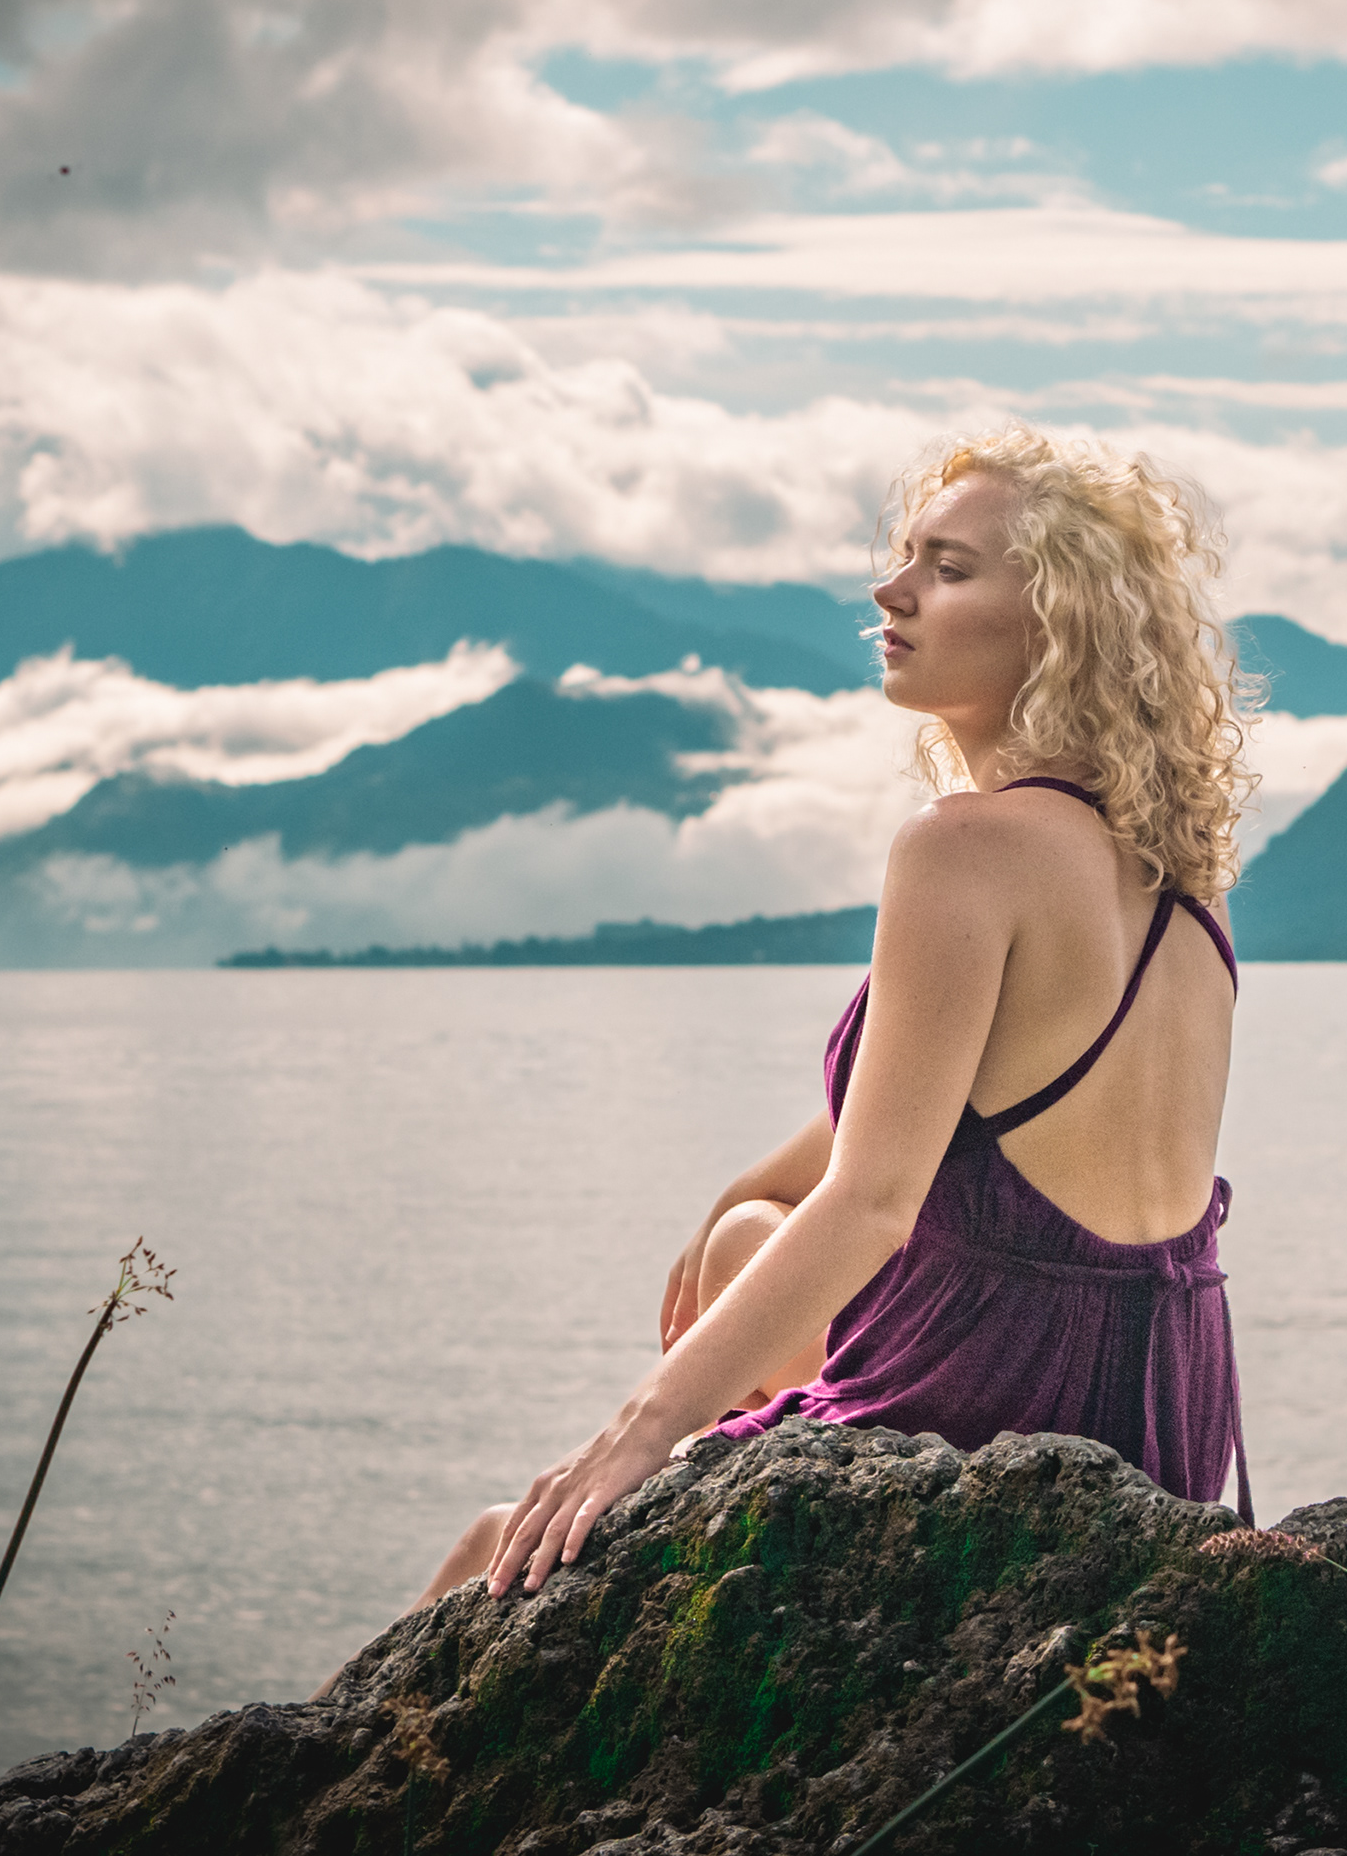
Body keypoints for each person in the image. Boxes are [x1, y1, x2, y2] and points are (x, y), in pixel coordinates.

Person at [414, 425, 1262, 1605]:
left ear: (1060, 624)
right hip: (1168, 1404)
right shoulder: (1178, 873)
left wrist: (643, 1431)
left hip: (1006, 1401)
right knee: (741, 1240)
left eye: (949, 568)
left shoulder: (966, 849)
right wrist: (724, 1203)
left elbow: (873, 1199)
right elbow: (940, 1112)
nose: (891, 588)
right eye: (908, 555)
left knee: (491, 1553)